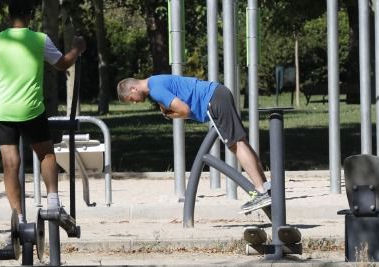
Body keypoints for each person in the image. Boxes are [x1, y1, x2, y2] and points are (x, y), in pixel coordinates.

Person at [0, 0, 85, 224]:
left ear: (8, 16)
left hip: (1, 109)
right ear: (31, 15)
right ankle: (52, 202)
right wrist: (77, 49)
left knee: (10, 164)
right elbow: (62, 64)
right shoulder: (40, 39)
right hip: (30, 108)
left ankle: (18, 218)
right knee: (46, 154)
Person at [116, 75, 271, 214]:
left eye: (131, 98)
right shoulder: (154, 81)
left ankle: (260, 191)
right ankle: (265, 188)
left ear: (133, 88)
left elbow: (185, 110)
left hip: (213, 99)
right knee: (239, 142)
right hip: (217, 94)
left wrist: (170, 116)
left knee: (236, 145)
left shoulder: (155, 89)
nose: (135, 102)